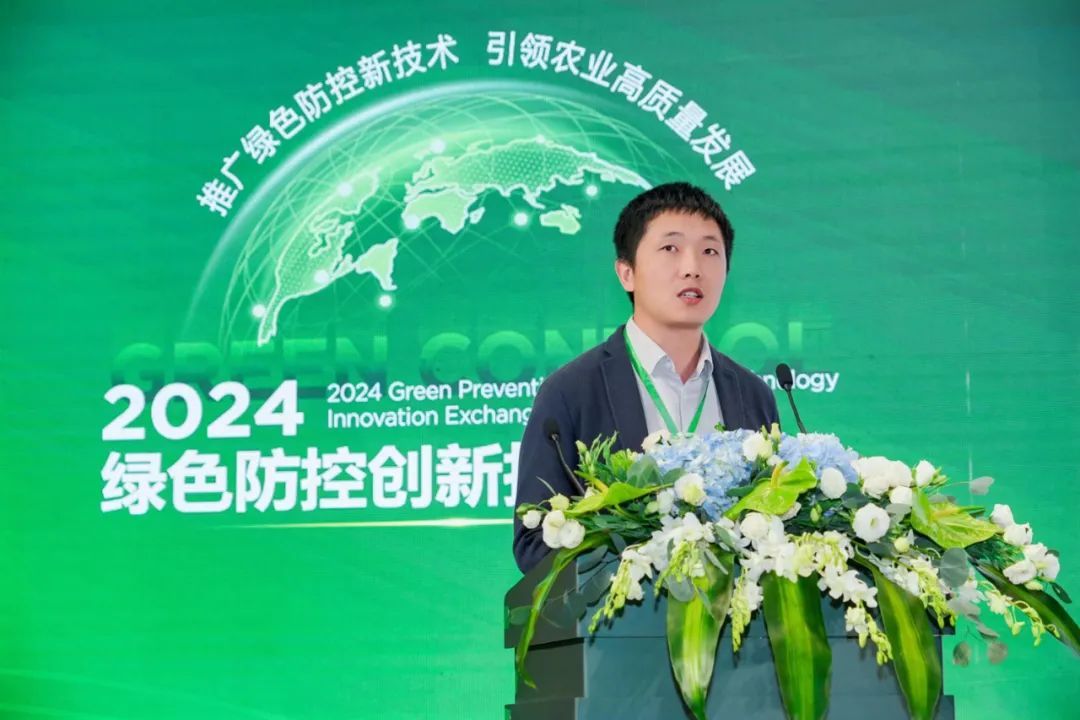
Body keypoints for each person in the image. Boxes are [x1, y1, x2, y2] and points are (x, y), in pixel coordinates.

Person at [512, 182, 780, 573]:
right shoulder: (571, 392)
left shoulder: (753, 394)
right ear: (627, 273)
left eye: (710, 251)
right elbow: (535, 541)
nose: (692, 267)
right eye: (670, 248)